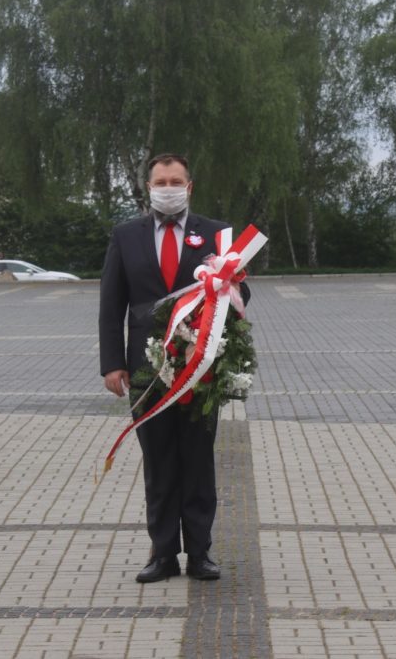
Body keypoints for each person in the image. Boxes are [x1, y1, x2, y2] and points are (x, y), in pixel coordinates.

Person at [98, 153, 249, 583]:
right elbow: (111, 304)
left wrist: (229, 285)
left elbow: (241, 296)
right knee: (159, 462)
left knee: (198, 461)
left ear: (189, 186)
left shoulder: (217, 234)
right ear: (149, 188)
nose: (168, 188)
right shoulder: (126, 236)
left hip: (200, 367)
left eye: (175, 181)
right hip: (145, 368)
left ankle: (200, 553)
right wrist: (112, 363)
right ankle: (163, 554)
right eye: (161, 182)